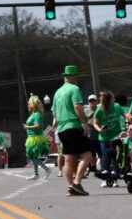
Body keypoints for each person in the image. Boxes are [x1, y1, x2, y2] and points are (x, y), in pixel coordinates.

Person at [51, 65, 94, 196]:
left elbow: (54, 112)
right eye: (77, 76)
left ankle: (71, 186)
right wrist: (84, 124)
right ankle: (76, 183)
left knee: (69, 158)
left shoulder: (57, 92)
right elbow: (77, 107)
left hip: (62, 128)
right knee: (87, 155)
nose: (78, 79)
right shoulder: (74, 89)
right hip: (73, 126)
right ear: (74, 77)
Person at [93, 90, 126, 186]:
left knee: (116, 156)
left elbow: (125, 116)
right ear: (108, 100)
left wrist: (130, 119)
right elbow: (95, 123)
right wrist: (100, 129)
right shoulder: (99, 110)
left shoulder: (117, 106)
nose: (114, 99)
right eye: (112, 98)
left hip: (117, 135)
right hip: (104, 137)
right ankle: (104, 177)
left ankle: (114, 177)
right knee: (105, 156)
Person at [22, 95, 52, 180]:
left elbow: (38, 125)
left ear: (34, 105)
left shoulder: (37, 115)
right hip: (31, 137)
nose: (28, 105)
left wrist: (27, 127)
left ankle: (47, 169)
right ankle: (36, 174)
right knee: (33, 156)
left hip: (36, 138)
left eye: (30, 103)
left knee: (32, 156)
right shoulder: (33, 114)